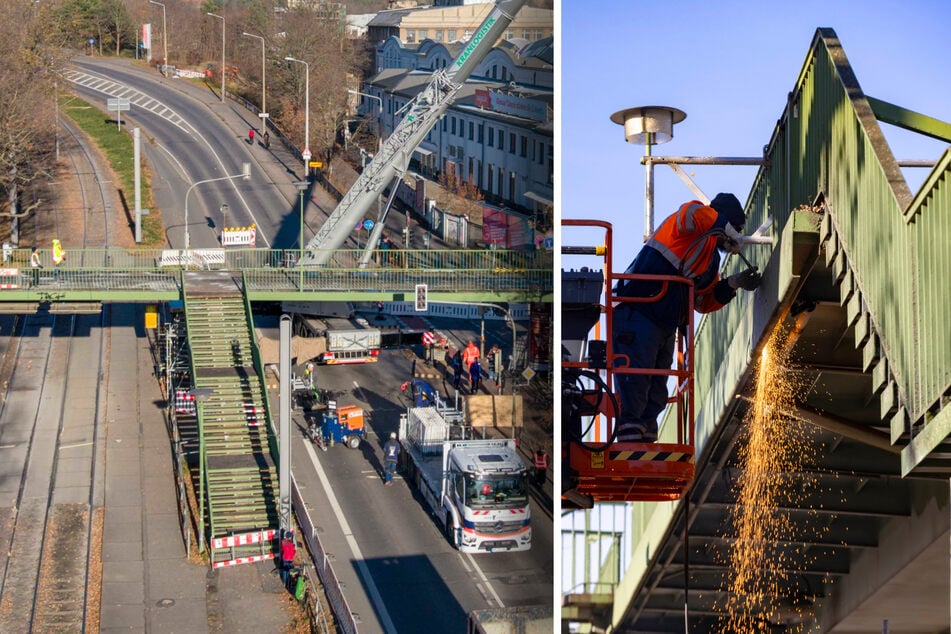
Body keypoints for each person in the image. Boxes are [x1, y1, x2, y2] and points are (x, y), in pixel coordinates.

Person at [613, 193, 761, 443]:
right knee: (635, 377)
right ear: (723, 220)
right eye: (734, 229)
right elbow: (693, 216)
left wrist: (733, 284)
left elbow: (702, 301)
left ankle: (645, 435)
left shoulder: (711, 259)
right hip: (636, 310)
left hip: (664, 322)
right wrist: (726, 229)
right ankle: (630, 433)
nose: (734, 236)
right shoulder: (691, 220)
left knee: (656, 386)